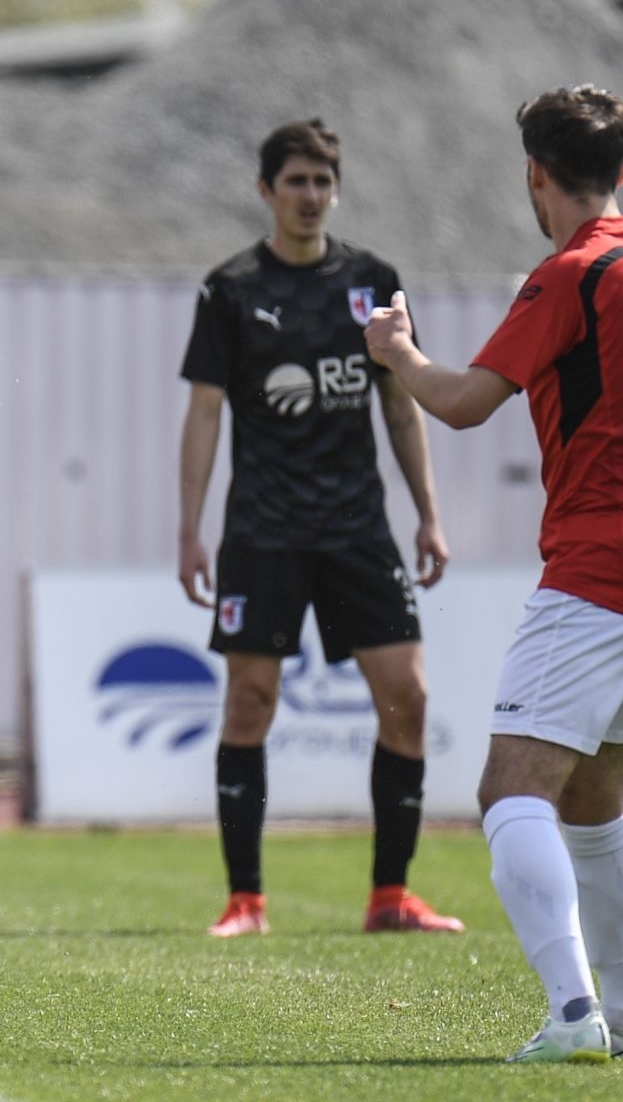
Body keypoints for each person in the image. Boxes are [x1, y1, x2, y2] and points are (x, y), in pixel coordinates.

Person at [365, 84, 623, 1064]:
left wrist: (398, 354)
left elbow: (467, 401)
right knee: (595, 796)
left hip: (600, 567)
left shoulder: (571, 273)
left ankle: (573, 1012)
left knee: (512, 788)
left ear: (534, 174)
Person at [178, 118, 463, 939]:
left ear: (336, 191)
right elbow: (204, 415)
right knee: (249, 703)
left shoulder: (373, 282)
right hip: (263, 530)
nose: (310, 196)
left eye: (322, 182)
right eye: (296, 182)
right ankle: (245, 901)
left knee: (407, 699)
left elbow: (400, 407)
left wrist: (429, 515)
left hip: (357, 530)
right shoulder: (230, 290)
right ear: (266, 191)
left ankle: (391, 896)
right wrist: (189, 531)